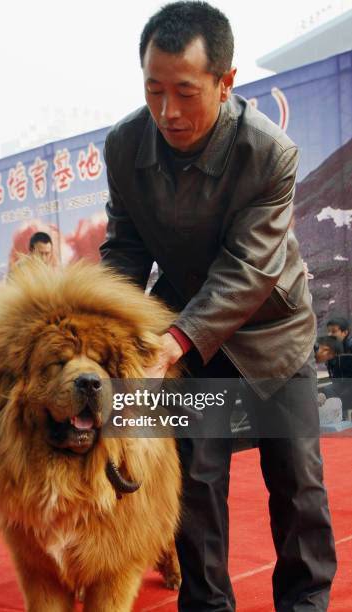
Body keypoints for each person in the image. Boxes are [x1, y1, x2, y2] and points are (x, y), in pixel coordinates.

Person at [100, 2, 337, 610]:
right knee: (196, 484)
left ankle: (305, 601)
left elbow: (248, 268)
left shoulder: (269, 152)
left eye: (185, 91)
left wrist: (172, 341)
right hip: (182, 328)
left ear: (225, 82)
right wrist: (103, 333)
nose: (167, 111)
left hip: (270, 333)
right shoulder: (126, 146)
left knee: (296, 481)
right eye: (154, 90)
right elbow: (124, 250)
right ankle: (205, 604)